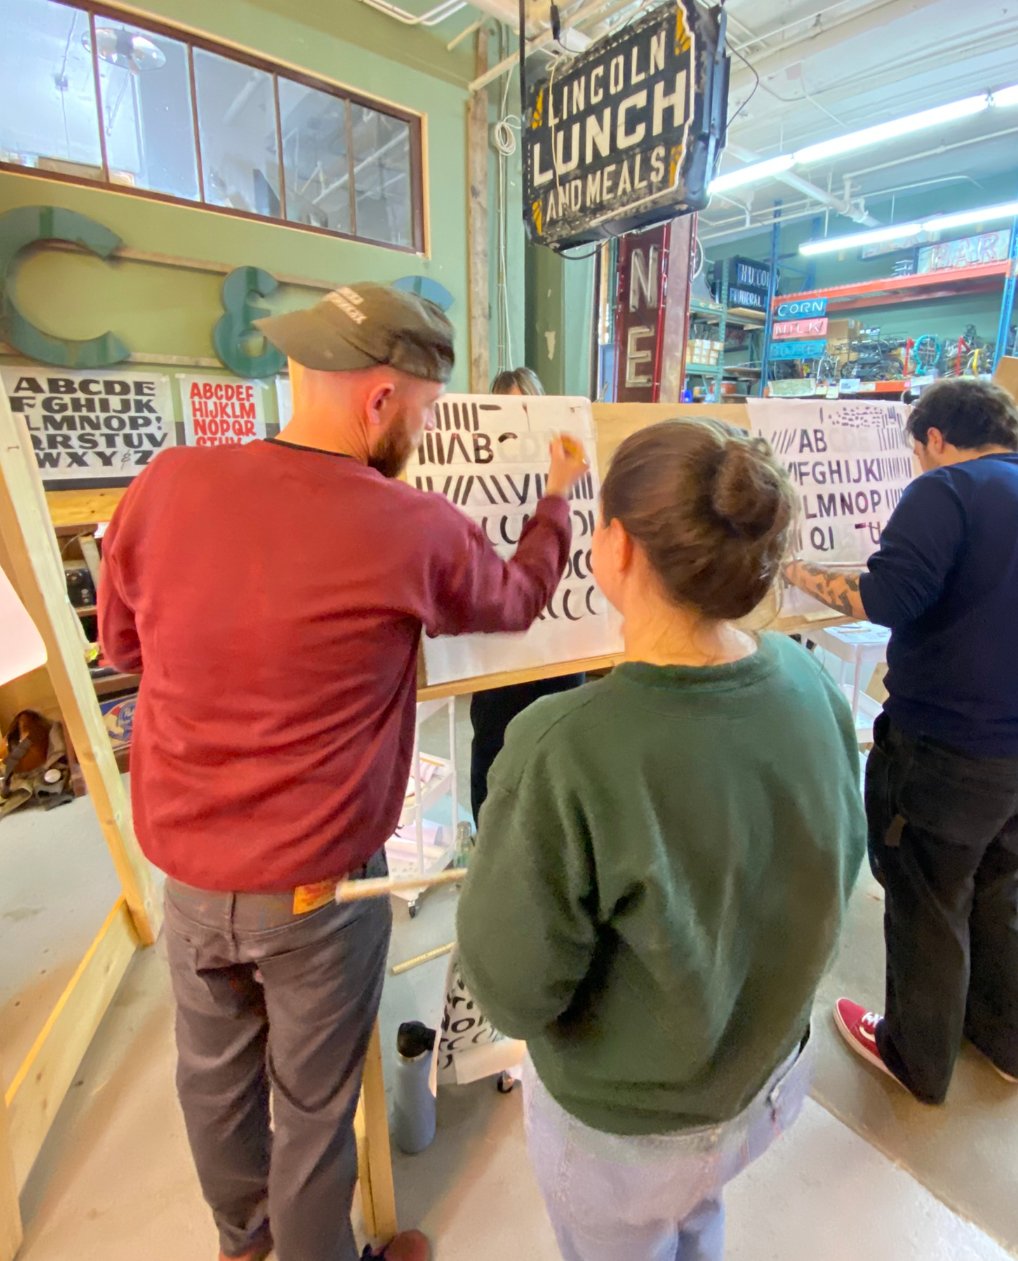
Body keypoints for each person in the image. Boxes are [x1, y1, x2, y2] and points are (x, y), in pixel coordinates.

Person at [98, 283, 589, 1261]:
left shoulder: (166, 481)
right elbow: (515, 599)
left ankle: (244, 1245)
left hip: (187, 874)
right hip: (317, 887)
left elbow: (122, 646)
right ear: (379, 399)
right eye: (425, 410)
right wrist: (556, 499)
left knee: (212, 1080)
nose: (424, 430)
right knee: (314, 1105)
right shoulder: (407, 523)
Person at [457, 419, 866, 1261]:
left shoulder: (563, 748)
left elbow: (512, 992)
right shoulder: (808, 680)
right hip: (766, 1084)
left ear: (617, 547)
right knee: (696, 1213)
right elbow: (840, 866)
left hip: (627, 1131)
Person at [785, 377, 1018, 1103]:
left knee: (926, 893)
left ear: (935, 439)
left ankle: (915, 1057)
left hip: (947, 743)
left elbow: (885, 597)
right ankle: (1005, 1039)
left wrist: (794, 569)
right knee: (1000, 890)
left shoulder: (946, 490)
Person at [468, 366, 584, 822]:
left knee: (559, 747)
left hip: (560, 641)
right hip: (499, 652)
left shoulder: (571, 476)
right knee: (494, 747)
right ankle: (488, 833)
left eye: (525, 408)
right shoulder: (478, 483)